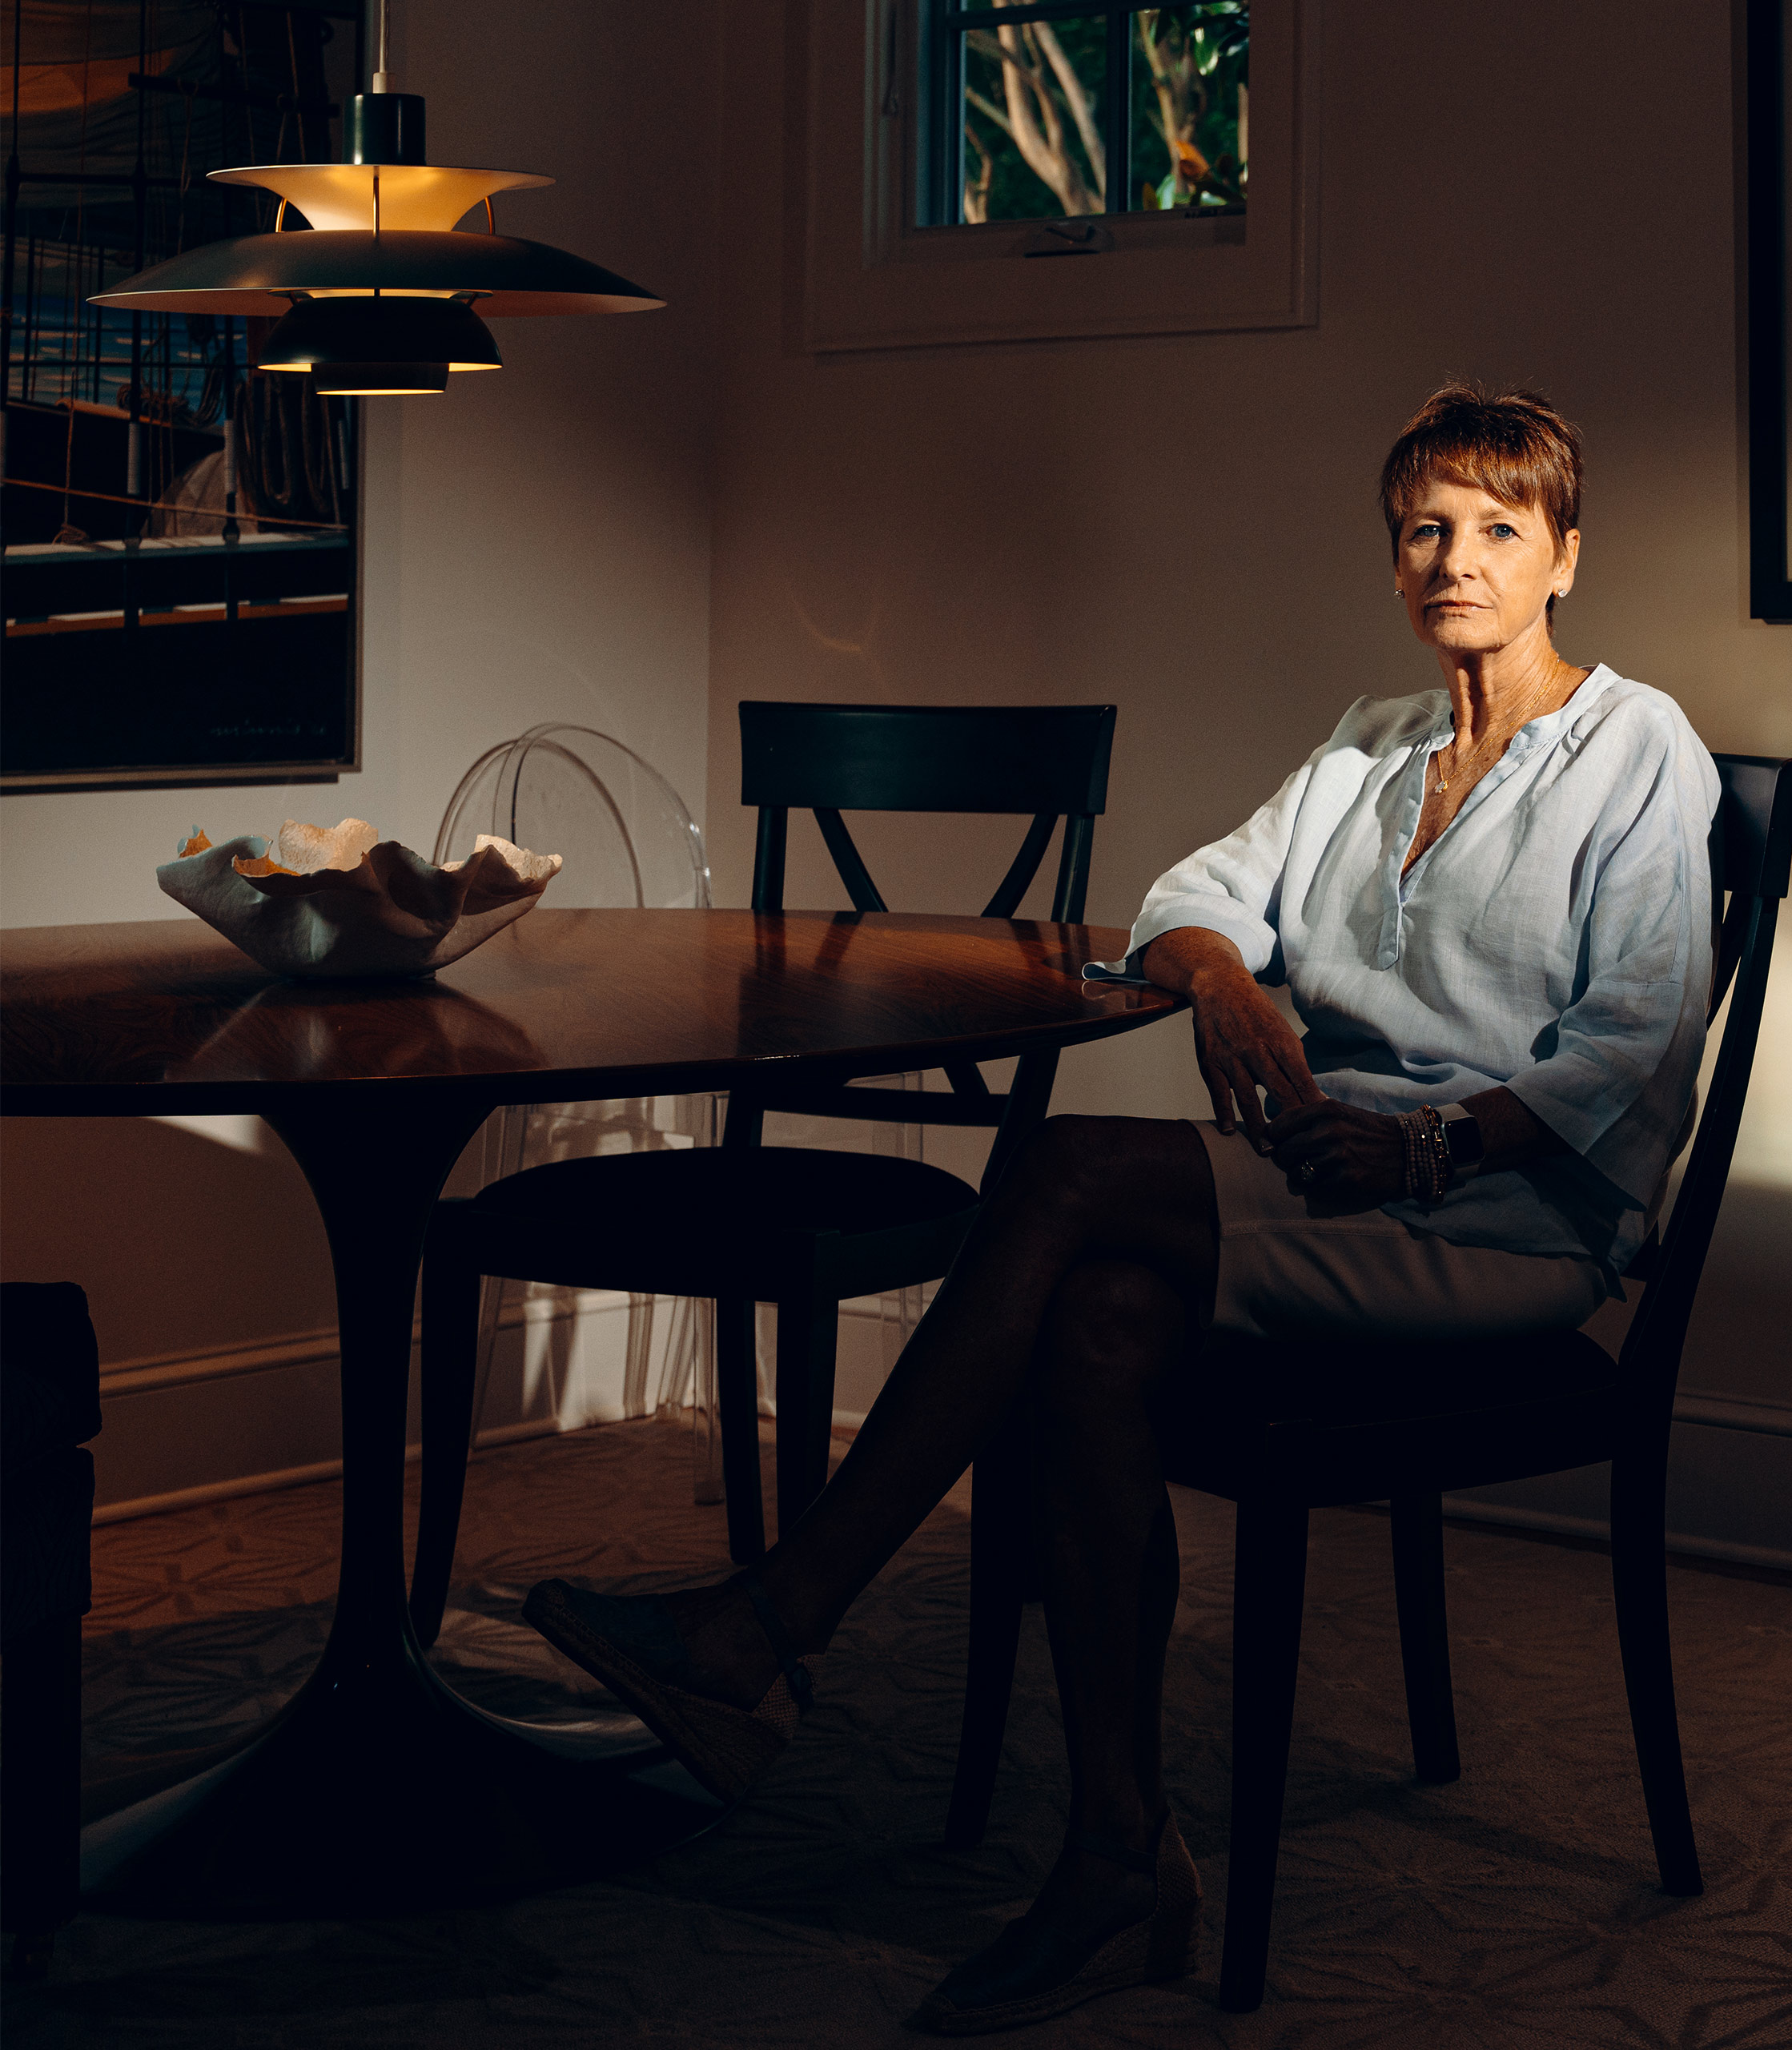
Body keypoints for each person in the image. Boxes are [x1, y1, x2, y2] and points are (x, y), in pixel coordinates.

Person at [520, 384, 1722, 2036]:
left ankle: (776, 1619)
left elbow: (1639, 1036)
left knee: (1071, 1166)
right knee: (1093, 1328)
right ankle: (1114, 1856)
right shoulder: (1376, 741)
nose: (1459, 558)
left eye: (1499, 529)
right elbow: (1187, 897)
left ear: (1564, 556)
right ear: (1393, 560)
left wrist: (1435, 1146)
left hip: (1505, 1222)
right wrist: (1227, 987)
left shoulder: (1637, 744)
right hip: (1334, 1173)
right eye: (1427, 528)